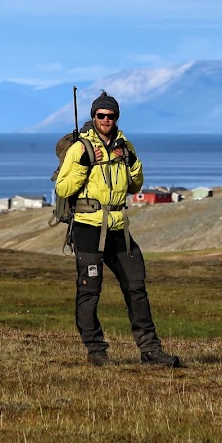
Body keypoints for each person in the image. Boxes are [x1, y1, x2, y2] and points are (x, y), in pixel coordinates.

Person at [55, 91, 181, 368]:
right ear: (93, 117)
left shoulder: (125, 146)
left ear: (116, 117)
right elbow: (63, 188)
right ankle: (96, 352)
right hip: (88, 227)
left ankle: (150, 350)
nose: (106, 120)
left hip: (118, 228)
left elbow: (135, 186)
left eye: (110, 115)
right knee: (90, 290)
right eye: (101, 115)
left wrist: (133, 164)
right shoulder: (80, 149)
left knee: (136, 287)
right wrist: (83, 166)